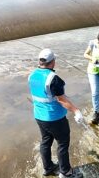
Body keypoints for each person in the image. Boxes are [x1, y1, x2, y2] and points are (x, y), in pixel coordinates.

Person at [28, 48, 84, 178]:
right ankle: (66, 172)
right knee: (63, 144)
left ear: (40, 62)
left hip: (39, 116)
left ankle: (48, 168)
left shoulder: (32, 75)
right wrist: (76, 111)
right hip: (55, 118)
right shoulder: (53, 78)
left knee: (45, 141)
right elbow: (61, 99)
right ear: (52, 62)